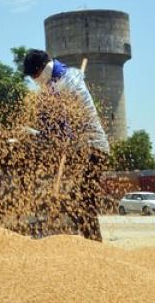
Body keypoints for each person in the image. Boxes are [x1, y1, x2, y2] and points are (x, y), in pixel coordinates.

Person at [22, 49, 108, 241]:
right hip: (79, 148)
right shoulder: (63, 77)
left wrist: (39, 134)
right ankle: (87, 240)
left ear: (44, 68)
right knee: (76, 199)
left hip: (93, 147)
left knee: (85, 201)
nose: (35, 80)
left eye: (35, 75)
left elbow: (61, 125)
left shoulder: (64, 85)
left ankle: (94, 245)